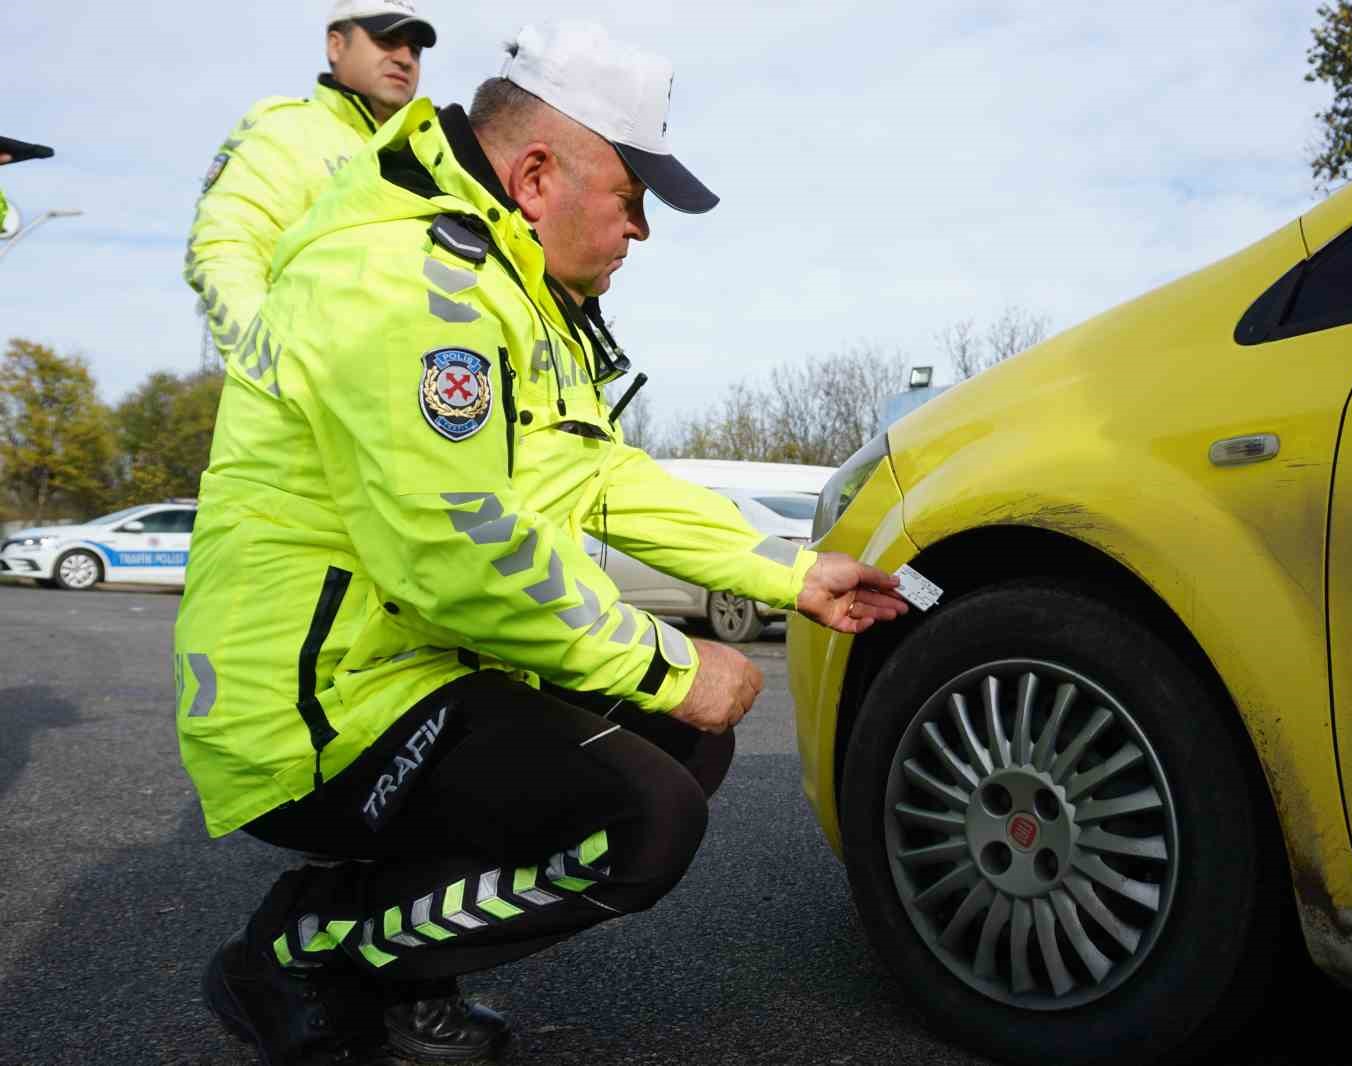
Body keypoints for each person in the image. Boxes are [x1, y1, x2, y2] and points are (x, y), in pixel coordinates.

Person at [174, 18, 908, 1066]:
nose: (640, 231)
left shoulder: (510, 286)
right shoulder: (415, 282)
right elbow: (453, 548)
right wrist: (665, 661)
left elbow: (592, 474)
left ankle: (396, 970)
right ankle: (303, 947)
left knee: (681, 743)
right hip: (314, 708)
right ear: (531, 176)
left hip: (410, 664)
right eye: (631, 198)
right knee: (642, 821)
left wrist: (792, 571)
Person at [184, 0, 437, 361]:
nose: (404, 58)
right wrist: (269, 372)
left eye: (414, 49)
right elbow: (224, 251)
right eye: (386, 39)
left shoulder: (431, 157)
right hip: (308, 403)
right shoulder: (285, 130)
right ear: (336, 45)